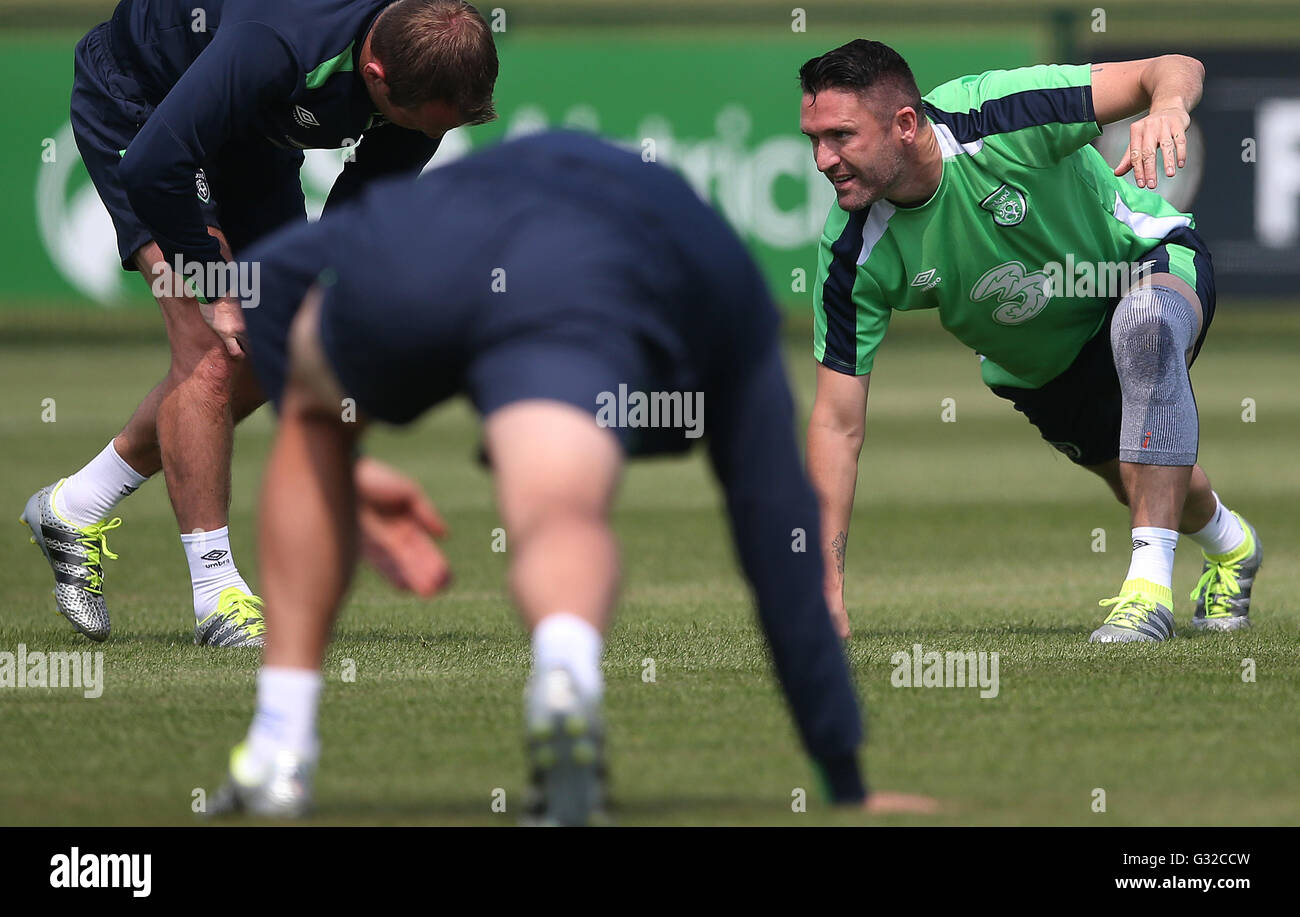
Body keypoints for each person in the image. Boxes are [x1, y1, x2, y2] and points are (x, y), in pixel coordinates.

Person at [208, 130, 937, 823]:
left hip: (436, 250)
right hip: (590, 276)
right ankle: (564, 674)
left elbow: (263, 283)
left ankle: (280, 745)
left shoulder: (417, 200)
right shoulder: (721, 273)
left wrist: (347, 471)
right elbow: (777, 526)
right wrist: (842, 773)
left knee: (311, 414)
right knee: (559, 510)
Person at [21, 0, 498, 646]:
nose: (424, 135)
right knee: (210, 342)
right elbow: (154, 164)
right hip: (143, 110)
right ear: (377, 75)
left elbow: (361, 208)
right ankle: (217, 597)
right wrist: (218, 285)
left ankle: (73, 506)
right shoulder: (274, 46)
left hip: (252, 137)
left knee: (274, 341)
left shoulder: (428, 71)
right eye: (416, 124)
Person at [800, 40, 1261, 643]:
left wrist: (1168, 107)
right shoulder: (851, 252)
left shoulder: (998, 114)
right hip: (1045, 370)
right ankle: (1233, 547)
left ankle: (1148, 596)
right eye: (813, 138)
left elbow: (1171, 69)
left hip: (1144, 263)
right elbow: (837, 425)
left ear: (905, 125)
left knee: (1142, 324)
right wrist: (824, 591)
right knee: (1150, 478)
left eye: (840, 136)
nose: (822, 158)